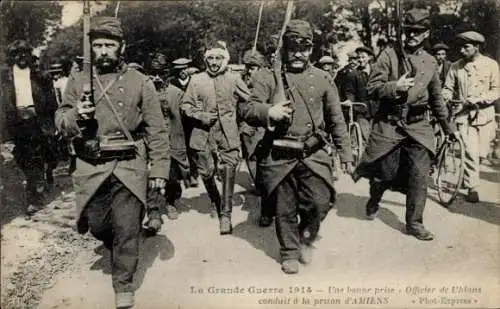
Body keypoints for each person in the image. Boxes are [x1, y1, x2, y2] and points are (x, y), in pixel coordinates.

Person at [55, 17, 170, 308]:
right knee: (99, 226)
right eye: (97, 45)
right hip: (91, 165)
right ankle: (116, 245)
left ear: (122, 47)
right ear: (90, 48)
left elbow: (157, 129)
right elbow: (60, 118)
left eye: (109, 45)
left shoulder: (140, 81)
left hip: (129, 164)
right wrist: (76, 116)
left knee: (127, 226)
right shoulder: (78, 79)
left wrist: (158, 170)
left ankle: (123, 284)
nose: (103, 51)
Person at [239, 20, 354, 274]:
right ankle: (289, 252)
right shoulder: (267, 77)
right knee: (285, 207)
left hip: (312, 153)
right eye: (293, 48)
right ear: (284, 49)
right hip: (278, 155)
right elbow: (245, 108)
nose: (299, 54)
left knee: (320, 202)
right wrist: (269, 110)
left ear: (311, 50)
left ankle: (306, 235)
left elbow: (336, 119)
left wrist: (345, 153)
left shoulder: (323, 78)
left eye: (305, 48)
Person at [352, 9, 457, 241]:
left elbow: (437, 98)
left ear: (426, 33)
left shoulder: (430, 62)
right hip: (391, 124)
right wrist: (394, 87)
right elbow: (371, 89)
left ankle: (414, 223)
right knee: (385, 174)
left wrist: (448, 128)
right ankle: (375, 196)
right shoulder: (388, 55)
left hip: (419, 126)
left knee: (420, 175)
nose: (411, 36)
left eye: (417, 32)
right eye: (408, 31)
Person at [181, 40, 251, 235]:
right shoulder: (196, 80)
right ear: (205, 60)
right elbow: (185, 105)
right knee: (206, 171)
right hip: (202, 133)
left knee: (230, 167)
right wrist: (200, 115)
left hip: (227, 132)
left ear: (225, 59)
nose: (214, 62)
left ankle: (226, 215)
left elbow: (250, 101)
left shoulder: (233, 79)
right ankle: (215, 200)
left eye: (218, 58)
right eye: (210, 58)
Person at [0, 40, 58, 217]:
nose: (21, 57)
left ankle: (34, 198)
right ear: (12, 57)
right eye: (17, 54)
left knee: (36, 157)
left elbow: (51, 102)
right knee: (21, 159)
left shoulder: (40, 76)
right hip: (16, 123)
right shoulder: (5, 77)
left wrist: (53, 123)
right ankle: (35, 184)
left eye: (24, 53)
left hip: (36, 121)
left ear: (29, 54)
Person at [442, 31, 500, 202]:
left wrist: (478, 99)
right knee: (470, 152)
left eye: (466, 47)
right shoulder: (455, 67)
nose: (461, 50)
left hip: (485, 116)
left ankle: (469, 176)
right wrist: (445, 97)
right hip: (464, 116)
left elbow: (496, 90)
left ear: (476, 47)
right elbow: (447, 88)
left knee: (481, 153)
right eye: (460, 46)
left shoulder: (491, 65)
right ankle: (472, 187)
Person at [157, 57, 198, 221]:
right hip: (153, 138)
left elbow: (187, 114)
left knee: (174, 171)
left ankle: (171, 198)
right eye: (153, 74)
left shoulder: (177, 92)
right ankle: (156, 208)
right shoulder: (146, 91)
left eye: (160, 74)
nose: (157, 78)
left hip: (177, 135)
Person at [239, 49, 273, 227]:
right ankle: (261, 188)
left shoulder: (267, 79)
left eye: (254, 67)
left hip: (264, 126)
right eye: (248, 67)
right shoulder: (242, 81)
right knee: (251, 159)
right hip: (247, 125)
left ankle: (268, 208)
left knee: (266, 165)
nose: (251, 71)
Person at [343, 46, 375, 141]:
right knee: (365, 137)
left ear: (370, 58)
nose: (360, 60)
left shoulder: (377, 71)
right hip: (362, 111)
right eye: (358, 58)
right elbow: (350, 91)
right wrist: (349, 101)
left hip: (377, 111)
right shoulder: (353, 74)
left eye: (363, 57)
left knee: (377, 139)